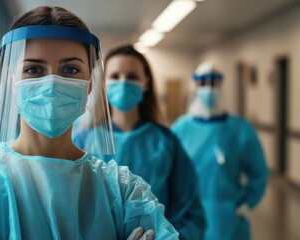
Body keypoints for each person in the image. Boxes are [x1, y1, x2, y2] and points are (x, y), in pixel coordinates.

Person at [0, 6, 179, 240]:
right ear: (10, 81)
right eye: (34, 70)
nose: (52, 83)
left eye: (70, 70)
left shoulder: (123, 193)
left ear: (90, 83)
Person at [74, 45, 206, 240]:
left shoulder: (166, 142)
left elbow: (190, 210)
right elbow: (72, 208)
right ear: (103, 83)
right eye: (115, 76)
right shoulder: (83, 141)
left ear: (145, 83)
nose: (123, 82)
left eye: (132, 76)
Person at [171, 62, 269, 240]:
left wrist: (246, 202)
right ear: (195, 86)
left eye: (213, 83)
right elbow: (169, 174)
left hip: (229, 220)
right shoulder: (180, 129)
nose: (208, 88)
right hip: (188, 218)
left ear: (221, 85)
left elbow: (259, 172)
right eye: (203, 83)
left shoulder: (240, 129)